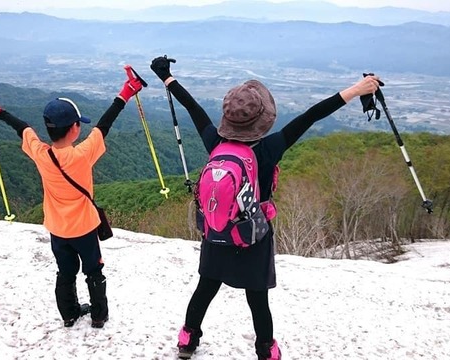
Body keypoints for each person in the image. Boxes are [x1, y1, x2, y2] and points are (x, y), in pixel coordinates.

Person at [150, 56, 380, 360]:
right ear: (261, 119)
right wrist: (356, 89)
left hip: (217, 230)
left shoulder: (215, 143)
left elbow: (193, 108)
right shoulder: (270, 148)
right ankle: (265, 350)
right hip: (253, 235)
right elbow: (311, 116)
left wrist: (166, 77)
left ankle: (187, 339)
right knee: (257, 299)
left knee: (205, 288)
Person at [0, 75, 143, 329]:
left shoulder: (41, 154)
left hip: (57, 229)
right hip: (84, 228)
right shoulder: (82, 155)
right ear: (74, 128)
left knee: (65, 272)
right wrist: (125, 93)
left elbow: (23, 128)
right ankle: (98, 316)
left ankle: (69, 314)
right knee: (93, 270)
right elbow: (104, 125)